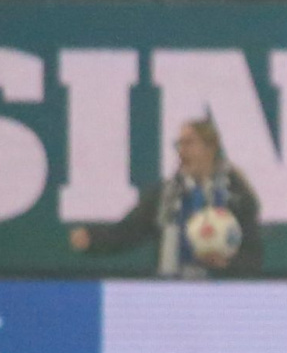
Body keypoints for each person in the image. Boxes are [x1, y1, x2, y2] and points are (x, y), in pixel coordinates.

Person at [69, 117, 263, 278]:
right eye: (179, 144)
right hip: (170, 292)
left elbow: (253, 254)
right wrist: (93, 239)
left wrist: (226, 264)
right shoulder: (165, 195)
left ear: (210, 148)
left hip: (221, 294)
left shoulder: (237, 197)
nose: (181, 150)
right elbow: (129, 231)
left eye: (189, 143)